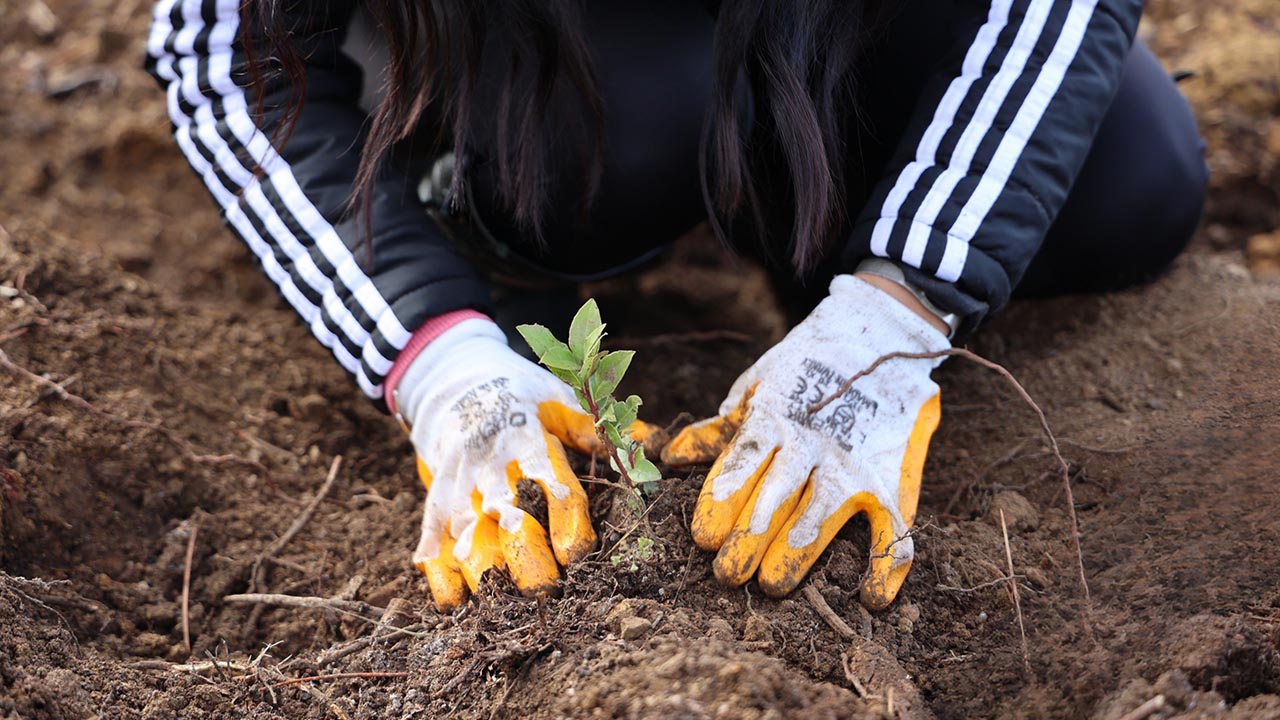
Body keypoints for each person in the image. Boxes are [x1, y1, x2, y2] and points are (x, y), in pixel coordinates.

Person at [145, 0, 1207, 612]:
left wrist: (898, 303)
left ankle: (815, 209)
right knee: (596, 150)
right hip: (530, 52)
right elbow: (217, 47)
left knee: (1123, 180)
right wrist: (437, 353)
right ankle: (482, 217)